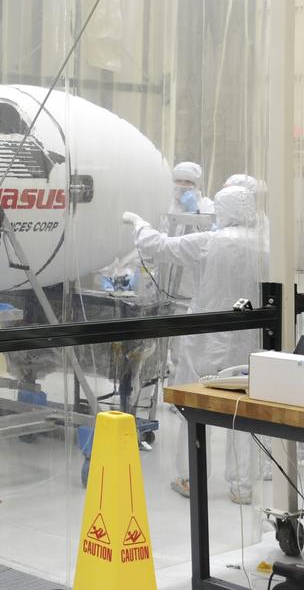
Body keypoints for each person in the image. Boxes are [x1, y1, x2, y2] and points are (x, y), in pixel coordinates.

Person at [123, 185, 266, 504]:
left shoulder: (209, 242)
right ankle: (242, 487)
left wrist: (138, 224)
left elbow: (159, 246)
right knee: (242, 411)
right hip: (248, 340)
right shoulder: (265, 245)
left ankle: (192, 478)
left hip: (206, 338)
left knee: (197, 407)